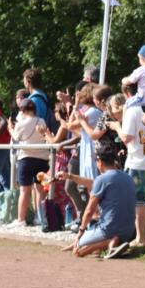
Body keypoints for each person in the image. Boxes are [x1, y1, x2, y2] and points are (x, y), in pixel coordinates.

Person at [59, 143, 136, 258]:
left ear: (100, 161)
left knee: (78, 249)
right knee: (90, 236)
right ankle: (112, 243)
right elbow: (92, 183)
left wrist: (80, 233)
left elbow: (89, 210)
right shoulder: (128, 177)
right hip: (130, 231)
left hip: (109, 229)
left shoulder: (102, 179)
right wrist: (69, 176)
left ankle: (107, 242)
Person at [113, 80, 145, 247]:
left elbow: (127, 138)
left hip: (137, 162)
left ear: (128, 92)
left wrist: (116, 127)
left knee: (139, 202)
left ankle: (140, 238)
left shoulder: (132, 110)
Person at [7, 98, 53, 227]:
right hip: (42, 158)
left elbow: (16, 138)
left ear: (23, 110)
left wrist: (10, 128)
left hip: (26, 158)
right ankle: (40, 218)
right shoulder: (41, 120)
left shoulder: (21, 123)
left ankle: (21, 219)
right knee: (40, 190)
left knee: (24, 190)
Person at [122, 45, 145, 110]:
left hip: (143, 97)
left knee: (126, 105)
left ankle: (124, 120)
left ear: (141, 58)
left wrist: (123, 80)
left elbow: (129, 81)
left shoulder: (141, 70)